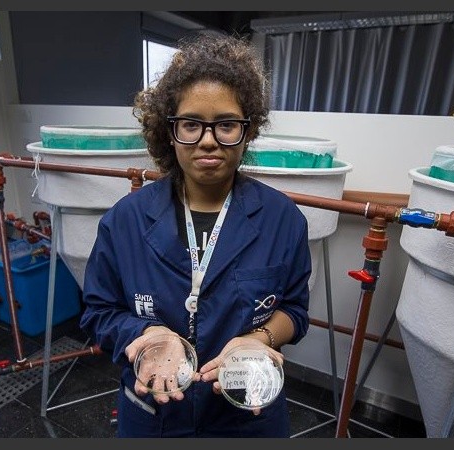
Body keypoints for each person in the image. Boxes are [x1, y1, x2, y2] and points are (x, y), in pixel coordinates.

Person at [79, 33, 312, 438]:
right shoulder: (124, 221)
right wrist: (146, 334)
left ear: (248, 130)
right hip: (153, 412)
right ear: (170, 131)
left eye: (225, 125)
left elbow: (294, 309)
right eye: (191, 124)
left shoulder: (283, 219)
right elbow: (99, 312)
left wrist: (260, 338)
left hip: (246, 414)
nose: (208, 140)